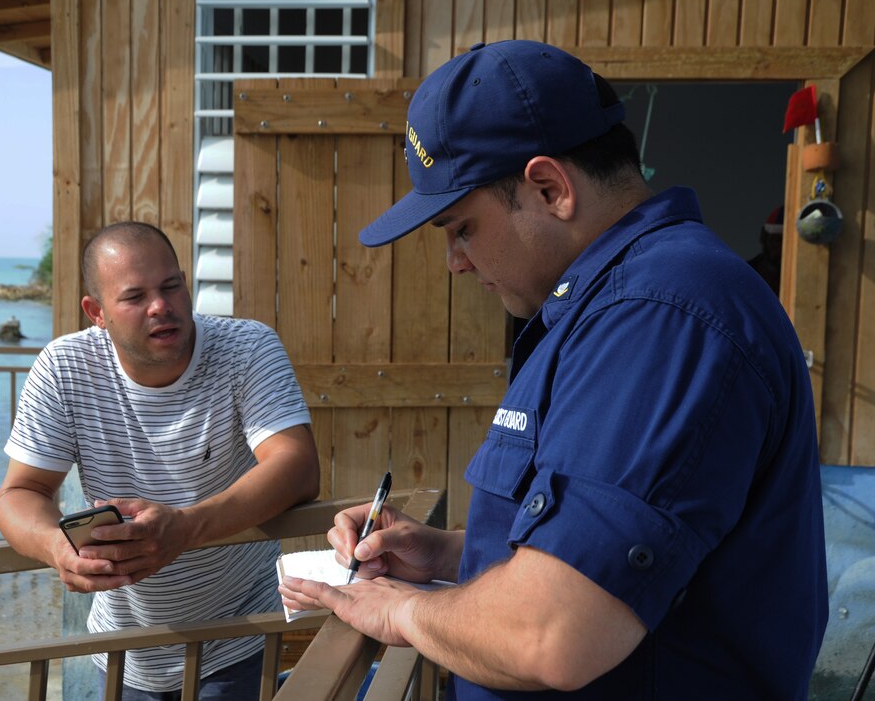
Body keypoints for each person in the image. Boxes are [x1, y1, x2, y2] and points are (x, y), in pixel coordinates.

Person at [279, 41, 828, 699]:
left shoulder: (661, 315)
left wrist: (401, 610)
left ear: (550, 187)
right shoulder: (615, 303)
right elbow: (606, 549)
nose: (455, 261)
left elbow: (552, 631)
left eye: (462, 228)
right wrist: (449, 553)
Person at [0, 221, 320, 699]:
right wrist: (54, 546)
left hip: (240, 631)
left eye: (172, 286)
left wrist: (185, 528)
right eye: (134, 297)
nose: (161, 306)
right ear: (96, 311)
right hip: (123, 644)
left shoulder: (248, 347)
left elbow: (297, 466)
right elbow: (21, 492)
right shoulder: (63, 367)